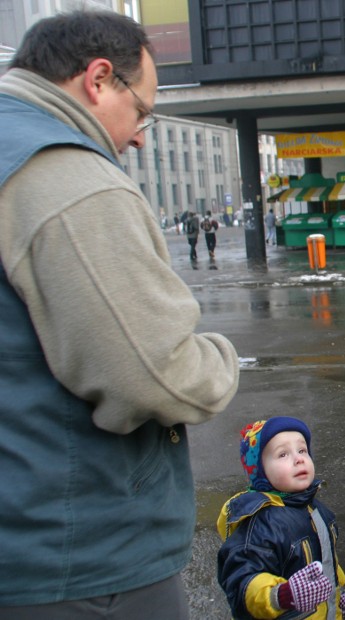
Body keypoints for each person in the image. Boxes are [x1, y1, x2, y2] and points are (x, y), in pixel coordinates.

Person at [0, 11, 240, 619]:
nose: (140, 136)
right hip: (75, 556)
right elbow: (153, 374)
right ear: (98, 79)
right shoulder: (66, 176)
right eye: (141, 112)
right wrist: (218, 361)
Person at [217, 417, 345, 620]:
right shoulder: (261, 523)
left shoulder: (314, 508)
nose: (298, 459)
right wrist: (281, 595)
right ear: (260, 472)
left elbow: (326, 560)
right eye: (282, 454)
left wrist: (338, 594)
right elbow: (241, 583)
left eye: (302, 450)